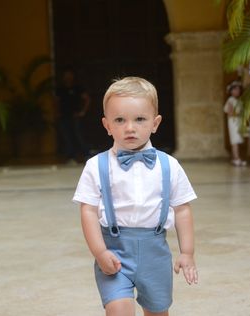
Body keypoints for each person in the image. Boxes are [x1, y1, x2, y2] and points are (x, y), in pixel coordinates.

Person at [73, 77, 198, 316]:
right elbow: (88, 211)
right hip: (114, 251)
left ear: (155, 123)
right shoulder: (95, 166)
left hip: (155, 252)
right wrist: (99, 252)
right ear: (107, 125)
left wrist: (187, 252)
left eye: (140, 119)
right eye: (119, 120)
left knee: (158, 312)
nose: (130, 127)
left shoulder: (169, 165)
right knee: (118, 310)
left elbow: (182, 209)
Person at [55, 68, 90, 163]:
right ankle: (71, 157)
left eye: (69, 75)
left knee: (79, 135)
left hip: (76, 116)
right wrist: (57, 113)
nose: (68, 77)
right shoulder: (60, 89)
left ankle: (86, 154)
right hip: (63, 116)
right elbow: (56, 102)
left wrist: (83, 111)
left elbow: (87, 99)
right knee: (67, 136)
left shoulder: (78, 88)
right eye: (66, 75)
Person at [224, 80, 247, 166]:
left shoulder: (239, 100)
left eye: (238, 89)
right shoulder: (230, 100)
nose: (237, 91)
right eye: (235, 89)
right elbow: (230, 113)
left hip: (239, 121)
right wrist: (238, 114)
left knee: (239, 140)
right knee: (235, 140)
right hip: (233, 122)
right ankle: (236, 158)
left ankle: (239, 157)